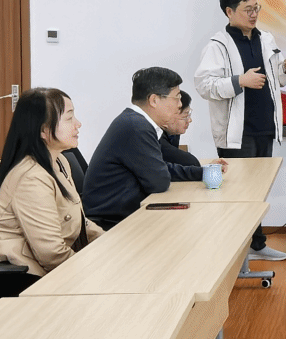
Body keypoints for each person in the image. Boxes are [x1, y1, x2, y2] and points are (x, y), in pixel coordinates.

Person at [194, 0, 286, 260]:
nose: (254, 14)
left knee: (258, 192)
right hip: (236, 132)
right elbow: (204, 86)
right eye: (247, 9)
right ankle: (236, 252)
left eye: (256, 8)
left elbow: (276, 80)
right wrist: (240, 81)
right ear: (229, 12)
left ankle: (256, 245)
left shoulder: (266, 39)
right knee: (238, 194)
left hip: (265, 127)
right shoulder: (218, 46)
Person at [0, 86, 100, 288]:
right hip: (15, 279)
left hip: (42, 270)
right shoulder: (31, 177)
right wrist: (93, 270)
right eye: (69, 118)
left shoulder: (59, 161)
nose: (78, 124)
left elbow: (80, 222)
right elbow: (51, 254)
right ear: (43, 130)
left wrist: (109, 244)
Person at [83, 67, 223, 227]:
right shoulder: (136, 126)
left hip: (124, 214)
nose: (180, 104)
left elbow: (158, 169)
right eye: (177, 98)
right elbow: (159, 181)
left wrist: (201, 173)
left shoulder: (135, 121)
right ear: (154, 100)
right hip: (112, 223)